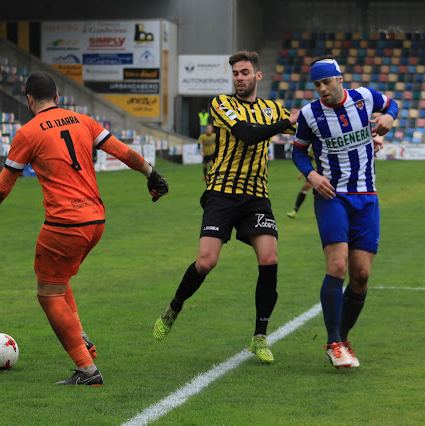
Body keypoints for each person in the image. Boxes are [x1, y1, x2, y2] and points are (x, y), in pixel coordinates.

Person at [0, 71, 169, 386]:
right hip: (95, 221)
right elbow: (122, 152)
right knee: (56, 278)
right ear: (57, 96)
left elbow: (4, 183)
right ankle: (81, 336)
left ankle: (87, 370)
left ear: (29, 100)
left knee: (48, 294)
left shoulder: (28, 132)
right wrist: (152, 175)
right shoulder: (83, 121)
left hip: (64, 223)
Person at [153, 50, 298, 364]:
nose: (239, 78)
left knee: (269, 258)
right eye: (235, 73)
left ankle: (260, 336)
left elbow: (308, 130)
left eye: (245, 72)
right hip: (221, 192)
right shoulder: (222, 104)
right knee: (206, 262)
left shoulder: (272, 109)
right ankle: (174, 308)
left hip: (257, 194)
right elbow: (245, 135)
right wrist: (286, 121)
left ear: (258, 76)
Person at [292, 56, 398, 369]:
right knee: (337, 266)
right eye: (316, 85)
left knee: (361, 275)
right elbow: (297, 151)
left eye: (326, 82)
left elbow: (392, 104)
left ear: (340, 79)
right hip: (331, 196)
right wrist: (312, 175)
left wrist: (388, 120)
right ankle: (333, 343)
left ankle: (343, 336)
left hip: (366, 197)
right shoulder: (310, 114)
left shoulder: (365, 98)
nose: (322, 89)